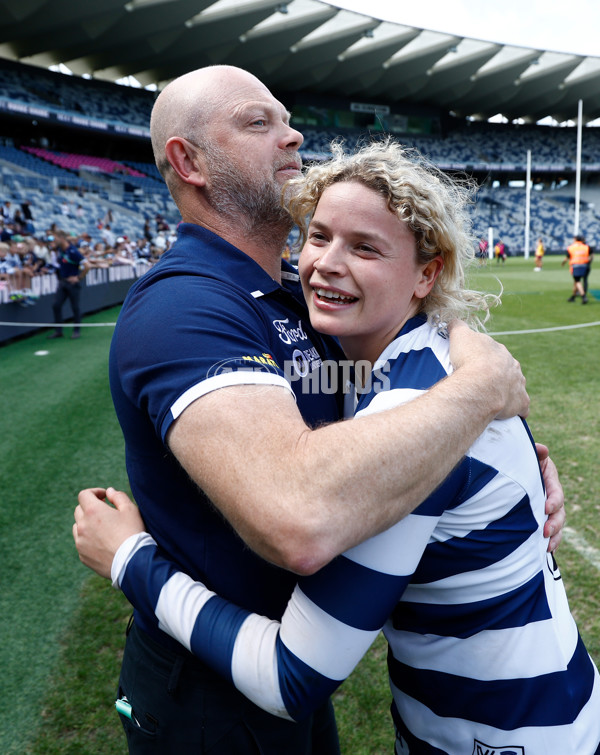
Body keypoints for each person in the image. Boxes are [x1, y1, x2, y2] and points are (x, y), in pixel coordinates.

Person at [73, 66, 564, 755]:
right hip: (211, 689)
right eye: (257, 122)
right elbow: (298, 517)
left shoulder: (288, 292)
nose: (293, 133)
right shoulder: (186, 306)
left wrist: (504, 463)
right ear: (189, 162)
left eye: (286, 116)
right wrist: (478, 394)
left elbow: (401, 351)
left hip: (305, 647)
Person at [47, 231, 89, 339]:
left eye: (55, 239)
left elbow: (87, 265)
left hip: (72, 283)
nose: (54, 241)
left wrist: (78, 277)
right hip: (62, 282)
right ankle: (58, 331)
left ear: (62, 239)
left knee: (75, 307)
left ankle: (76, 331)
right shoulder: (60, 250)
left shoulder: (73, 251)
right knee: (56, 305)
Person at [562, 233, 592, 304]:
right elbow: (591, 256)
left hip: (576, 265)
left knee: (577, 281)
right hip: (585, 265)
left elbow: (567, 257)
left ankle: (583, 296)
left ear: (575, 239)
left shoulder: (571, 247)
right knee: (577, 281)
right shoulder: (586, 247)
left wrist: (563, 263)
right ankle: (573, 297)